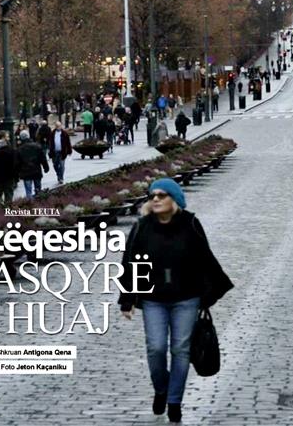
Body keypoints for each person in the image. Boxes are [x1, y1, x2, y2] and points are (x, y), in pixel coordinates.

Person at [119, 178, 233, 424]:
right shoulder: (142, 227)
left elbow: (205, 259)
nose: (156, 199)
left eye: (162, 195)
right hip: (153, 299)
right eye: (152, 196)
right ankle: (161, 388)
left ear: (175, 199)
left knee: (181, 349)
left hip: (186, 298)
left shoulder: (190, 224)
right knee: (156, 347)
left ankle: (174, 401)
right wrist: (126, 299)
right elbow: (129, 262)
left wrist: (208, 294)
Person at [18, 130, 49, 198]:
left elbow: (18, 162)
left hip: (26, 172)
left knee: (28, 191)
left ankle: (30, 202)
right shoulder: (37, 146)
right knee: (38, 190)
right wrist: (46, 167)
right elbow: (42, 158)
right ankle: (39, 200)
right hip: (36, 170)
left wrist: (17, 173)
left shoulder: (20, 149)